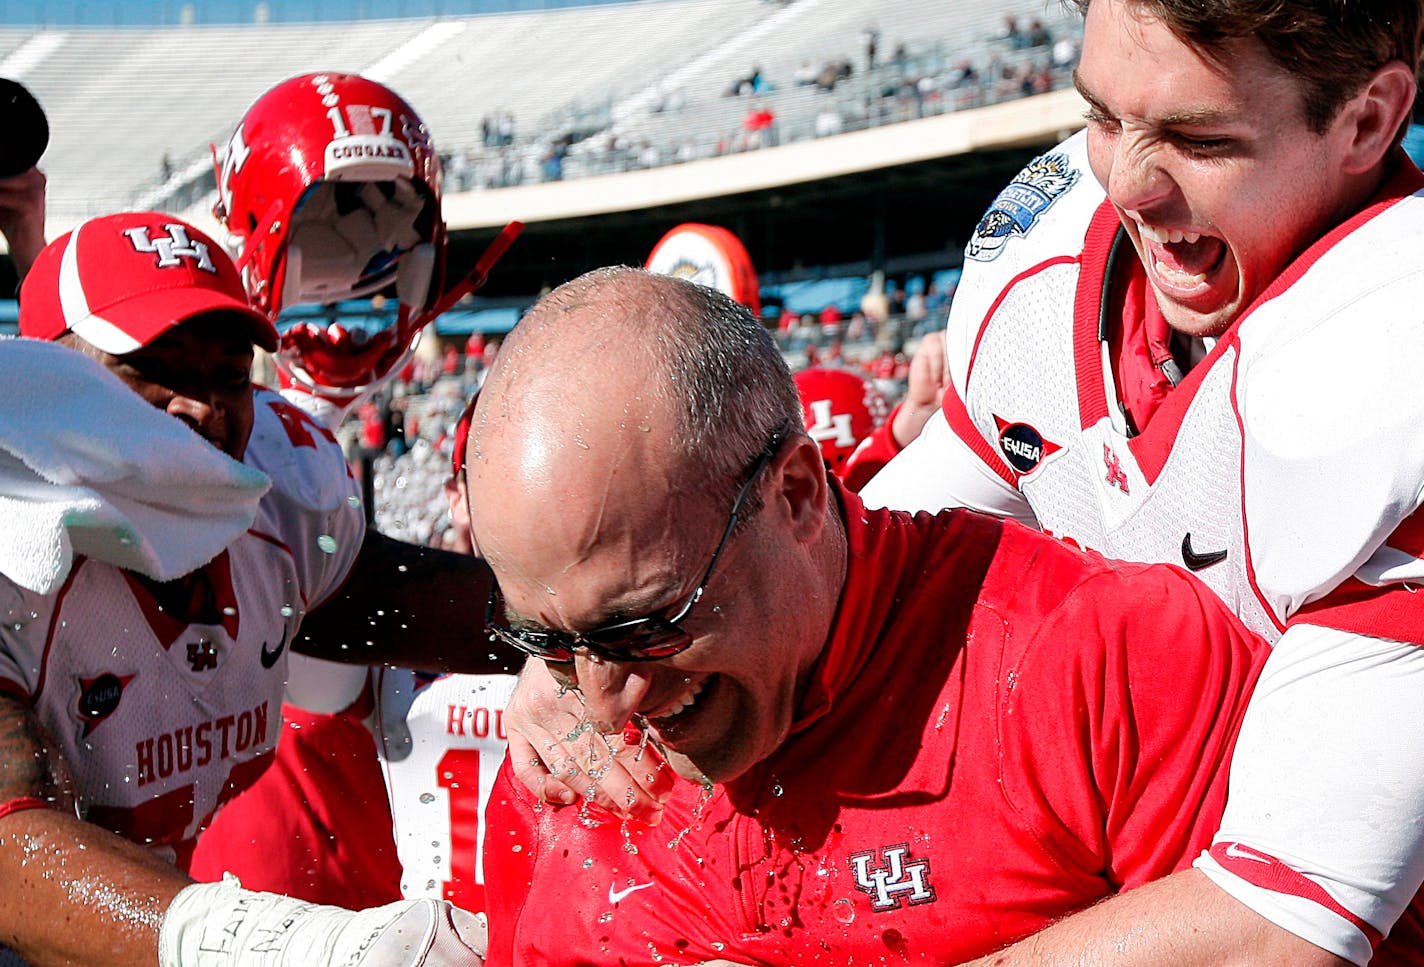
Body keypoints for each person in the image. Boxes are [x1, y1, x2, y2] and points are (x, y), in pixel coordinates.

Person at [469, 267, 1269, 965]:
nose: (609, 703)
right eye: (550, 640)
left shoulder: (1100, 664)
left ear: (797, 494)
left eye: (644, 625)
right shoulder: (558, 761)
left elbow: (1301, 929)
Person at [857, 0, 1424, 963]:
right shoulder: (1049, 283)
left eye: (1197, 138)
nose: (1127, 183)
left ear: (1366, 121)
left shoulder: (1389, 362)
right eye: (1107, 117)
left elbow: (1279, 930)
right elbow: (868, 565)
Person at [0, 210, 497, 966]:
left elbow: (458, 610)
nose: (198, 407)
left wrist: (611, 621)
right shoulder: (14, 548)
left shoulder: (283, 499)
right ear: (46, 381)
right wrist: (292, 944)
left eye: (228, 376)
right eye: (153, 368)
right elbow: (9, 850)